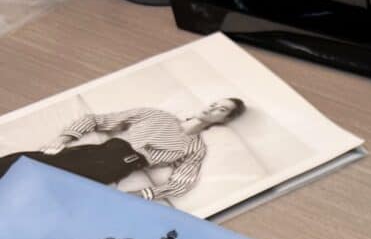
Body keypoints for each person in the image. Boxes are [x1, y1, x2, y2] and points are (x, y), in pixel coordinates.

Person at [0, 98, 246, 203]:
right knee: (19, 160)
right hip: (92, 151)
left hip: (117, 166)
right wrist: (63, 138)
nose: (212, 108)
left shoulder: (195, 148)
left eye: (221, 109)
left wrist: (139, 195)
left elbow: (181, 184)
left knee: (41, 190)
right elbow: (95, 120)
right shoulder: (156, 114)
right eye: (214, 103)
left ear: (224, 120)